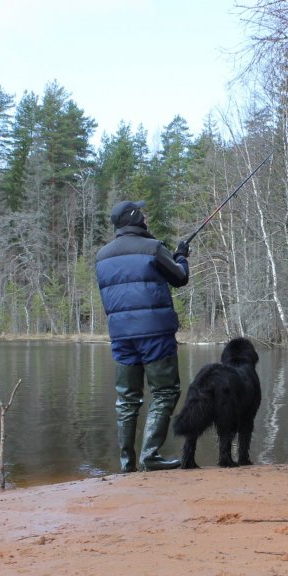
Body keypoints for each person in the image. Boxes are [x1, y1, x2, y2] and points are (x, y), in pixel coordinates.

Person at [96, 200, 190, 472]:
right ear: (136, 218)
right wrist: (181, 255)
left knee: (127, 398)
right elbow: (180, 277)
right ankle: (150, 456)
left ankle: (127, 463)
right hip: (155, 334)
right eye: (142, 212)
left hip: (121, 336)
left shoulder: (101, 255)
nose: (146, 214)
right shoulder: (152, 247)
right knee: (165, 391)